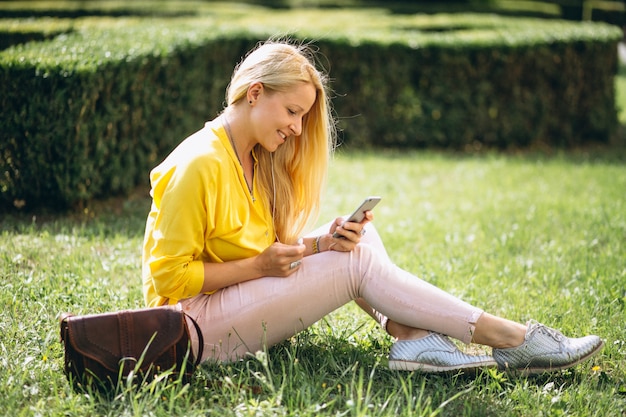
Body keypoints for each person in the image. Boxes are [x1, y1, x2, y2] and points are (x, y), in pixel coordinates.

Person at [141, 39, 603, 375]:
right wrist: (261, 265)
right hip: (189, 330)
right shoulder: (199, 163)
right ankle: (513, 340)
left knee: (355, 241)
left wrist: (321, 241)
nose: (299, 129)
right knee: (355, 260)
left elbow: (249, 248)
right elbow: (169, 279)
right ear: (256, 92)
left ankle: (414, 341)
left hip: (224, 308)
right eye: (292, 112)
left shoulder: (252, 157)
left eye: (303, 116)